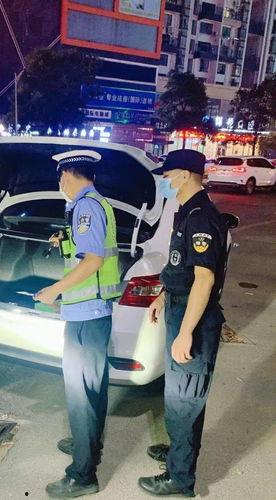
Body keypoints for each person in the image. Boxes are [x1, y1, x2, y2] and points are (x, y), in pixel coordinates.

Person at [138, 149, 228, 497]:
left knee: (184, 398)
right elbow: (182, 268)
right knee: (180, 395)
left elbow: (204, 279)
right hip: (180, 308)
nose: (164, 182)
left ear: (186, 175)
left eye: (167, 176)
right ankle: (179, 452)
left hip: (195, 319)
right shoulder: (188, 211)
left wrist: (186, 332)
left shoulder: (201, 218)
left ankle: (180, 478)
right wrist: (163, 296)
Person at [35, 150, 121, 498]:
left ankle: (82, 475)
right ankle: (89, 444)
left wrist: (54, 290)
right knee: (92, 388)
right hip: (92, 312)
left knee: (80, 394)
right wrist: (65, 239)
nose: (60, 185)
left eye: (60, 178)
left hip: (86, 312)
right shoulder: (95, 204)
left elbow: (93, 260)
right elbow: (88, 249)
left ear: (67, 175)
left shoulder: (86, 207)